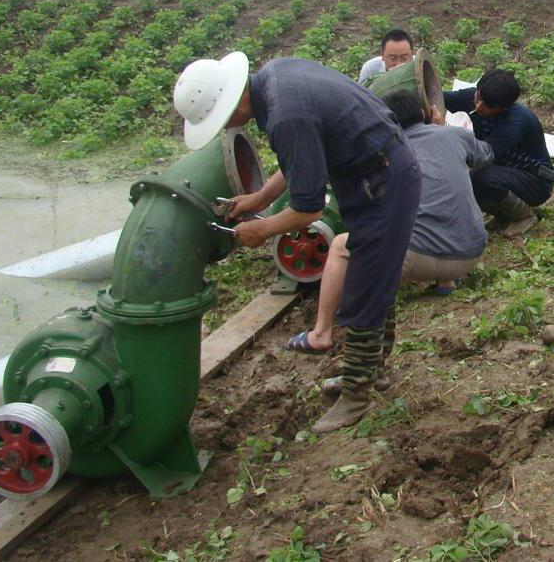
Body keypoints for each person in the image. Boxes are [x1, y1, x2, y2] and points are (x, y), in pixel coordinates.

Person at [173, 53, 421, 433]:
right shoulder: (276, 75)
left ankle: (356, 394)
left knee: (365, 287)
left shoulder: (286, 115)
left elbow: (306, 210)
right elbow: (301, 162)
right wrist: (258, 201)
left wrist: (263, 228)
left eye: (222, 118)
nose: (226, 126)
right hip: (373, 173)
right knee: (375, 277)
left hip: (383, 182)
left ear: (235, 101)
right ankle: (372, 372)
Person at [287, 90, 493, 396]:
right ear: (424, 114)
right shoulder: (451, 136)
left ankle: (323, 332)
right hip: (473, 249)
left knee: (347, 247)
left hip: (426, 255)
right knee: (412, 229)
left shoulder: (388, 154)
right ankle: (445, 283)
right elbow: (487, 154)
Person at [444, 68, 553, 236]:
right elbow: (442, 98)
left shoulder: (515, 122)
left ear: (503, 108)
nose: (478, 106)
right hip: (504, 171)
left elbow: (481, 157)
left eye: (487, 106)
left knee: (477, 178)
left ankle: (524, 216)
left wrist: (441, 134)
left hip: (535, 181)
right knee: (474, 177)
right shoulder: (476, 97)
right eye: (478, 98)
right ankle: (504, 215)